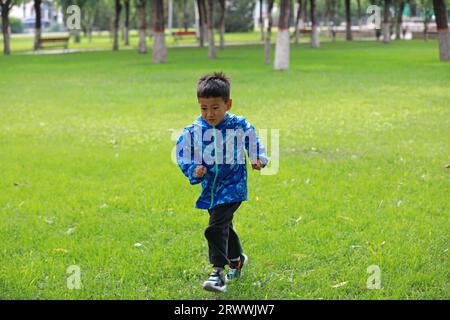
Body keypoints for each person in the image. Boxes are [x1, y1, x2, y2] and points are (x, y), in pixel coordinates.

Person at [176, 72, 269, 293]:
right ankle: (237, 260)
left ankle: (217, 273)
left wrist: (258, 159)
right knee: (224, 225)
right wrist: (193, 169)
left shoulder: (239, 125)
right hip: (210, 189)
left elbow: (253, 141)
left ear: (228, 104)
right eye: (204, 108)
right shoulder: (194, 131)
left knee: (215, 228)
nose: (209, 114)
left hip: (233, 186)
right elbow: (183, 153)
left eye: (215, 108)